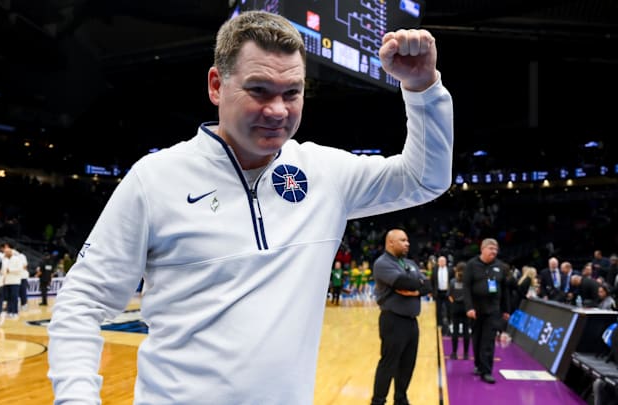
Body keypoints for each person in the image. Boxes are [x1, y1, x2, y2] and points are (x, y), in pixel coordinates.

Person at [47, 10, 453, 404]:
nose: (277, 110)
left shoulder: (326, 174)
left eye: (292, 93)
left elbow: (425, 178)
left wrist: (422, 88)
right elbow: (83, 300)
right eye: (258, 90)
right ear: (216, 85)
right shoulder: (154, 179)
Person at [371, 229, 432, 405]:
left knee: (408, 364)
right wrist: (416, 286)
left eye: (407, 240)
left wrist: (415, 290)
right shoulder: (382, 263)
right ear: (390, 242)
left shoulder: (409, 263)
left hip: (412, 322)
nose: (408, 243)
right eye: (403, 240)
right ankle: (378, 401)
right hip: (393, 320)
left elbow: (428, 285)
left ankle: (400, 398)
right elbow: (403, 283)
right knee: (389, 363)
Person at [463, 237, 510, 384]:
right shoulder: (471, 265)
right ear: (482, 249)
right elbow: (466, 288)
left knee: (488, 341)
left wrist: (506, 310)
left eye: (496, 249)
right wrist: (469, 307)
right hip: (476, 310)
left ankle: (487, 371)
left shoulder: (500, 266)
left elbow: (505, 290)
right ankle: (478, 364)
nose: (494, 252)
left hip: (493, 309)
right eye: (491, 249)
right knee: (477, 339)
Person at [448, 261, 471, 360]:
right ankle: (465, 354)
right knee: (466, 331)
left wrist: (454, 302)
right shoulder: (468, 282)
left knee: (455, 331)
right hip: (466, 307)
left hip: (456, 307)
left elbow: (449, 295)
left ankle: (454, 353)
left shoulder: (453, 281)